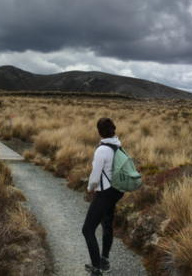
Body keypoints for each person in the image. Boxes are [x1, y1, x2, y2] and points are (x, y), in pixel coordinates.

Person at [82, 117, 124, 275]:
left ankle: (96, 269)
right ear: (113, 130)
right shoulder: (117, 145)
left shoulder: (102, 150)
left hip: (105, 193)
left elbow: (95, 177)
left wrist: (90, 187)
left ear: (98, 131)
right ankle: (104, 260)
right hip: (116, 191)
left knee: (87, 230)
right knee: (107, 224)